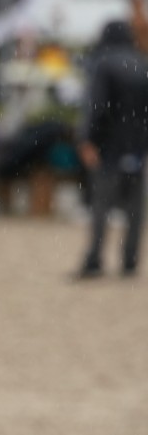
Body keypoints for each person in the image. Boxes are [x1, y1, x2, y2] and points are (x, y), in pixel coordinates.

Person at [74, 17, 148, 280]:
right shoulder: (142, 63)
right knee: (135, 208)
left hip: (109, 146)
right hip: (137, 145)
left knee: (102, 205)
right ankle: (130, 261)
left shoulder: (103, 64)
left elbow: (97, 106)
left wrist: (87, 139)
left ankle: (95, 258)